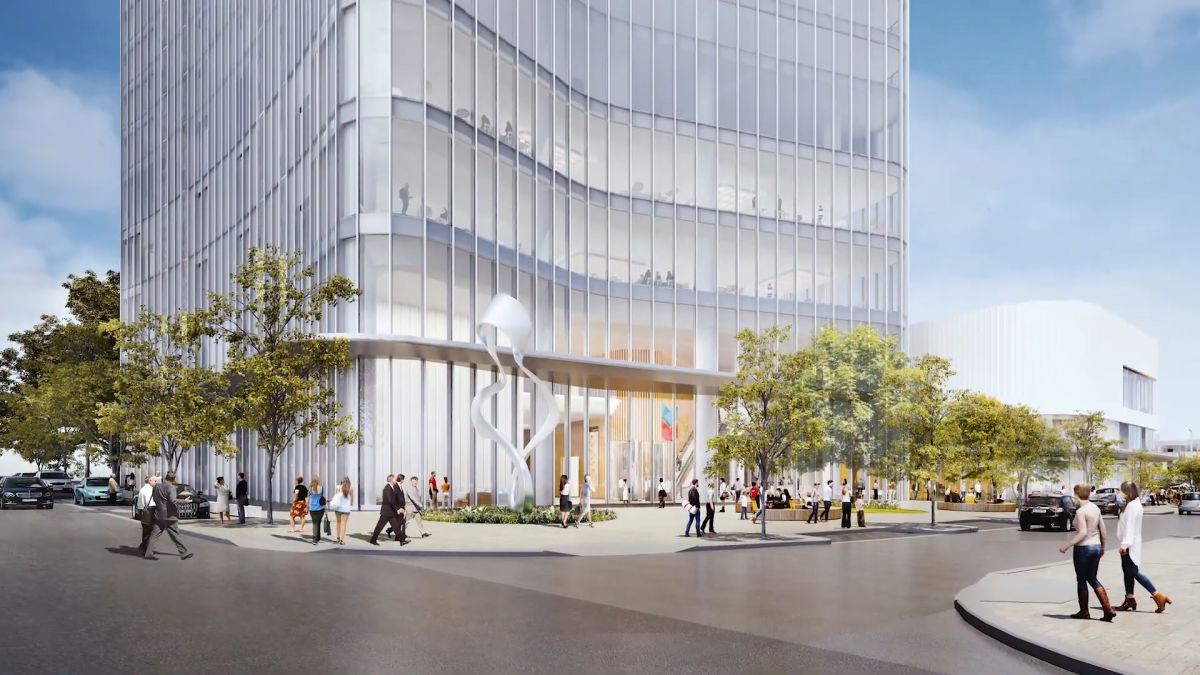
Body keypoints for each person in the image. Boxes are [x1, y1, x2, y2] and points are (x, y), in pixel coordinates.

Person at [1058, 484, 1116, 621]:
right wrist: (1102, 546)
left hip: (1083, 548)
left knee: (1082, 579)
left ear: (1077, 493)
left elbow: (1083, 532)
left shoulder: (1081, 511)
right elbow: (1103, 529)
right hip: (1095, 546)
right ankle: (1108, 610)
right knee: (1092, 577)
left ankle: (1084, 612)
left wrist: (1067, 544)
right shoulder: (1095, 508)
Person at [1116, 481, 1171, 613]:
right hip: (1129, 543)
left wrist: (1125, 545)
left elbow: (1130, 527)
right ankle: (1130, 599)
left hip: (1129, 544)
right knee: (1128, 572)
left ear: (1127, 491)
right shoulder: (1132, 504)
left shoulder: (1133, 506)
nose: (1119, 493)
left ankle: (1158, 595)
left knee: (1133, 572)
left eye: (1121, 491)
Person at [144, 472, 192, 561]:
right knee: (175, 534)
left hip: (158, 515)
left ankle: (149, 553)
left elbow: (154, 498)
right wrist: (184, 501)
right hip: (169, 516)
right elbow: (173, 501)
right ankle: (184, 552)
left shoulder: (157, 486)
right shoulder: (171, 487)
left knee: (154, 535)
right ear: (173, 479)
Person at [369, 474, 408, 546]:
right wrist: (398, 509)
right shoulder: (387, 488)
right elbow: (390, 500)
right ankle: (373, 540)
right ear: (391, 479)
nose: (396, 480)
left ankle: (402, 541)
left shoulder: (391, 487)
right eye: (395, 479)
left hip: (390, 512)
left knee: (396, 527)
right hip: (386, 512)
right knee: (379, 527)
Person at [136, 475, 158, 555]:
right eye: (155, 481)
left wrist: (141, 511)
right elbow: (152, 502)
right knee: (152, 532)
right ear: (150, 481)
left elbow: (140, 503)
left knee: (146, 532)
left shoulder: (142, 489)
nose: (156, 482)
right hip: (151, 511)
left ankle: (143, 547)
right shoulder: (149, 490)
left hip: (145, 512)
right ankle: (147, 550)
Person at [330, 476, 353, 545]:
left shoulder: (338, 487)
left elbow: (336, 497)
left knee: (338, 523)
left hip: (338, 508)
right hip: (346, 509)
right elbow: (351, 501)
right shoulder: (351, 488)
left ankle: (338, 538)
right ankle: (341, 540)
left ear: (342, 481)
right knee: (344, 524)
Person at [306, 477, 326, 545]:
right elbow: (323, 498)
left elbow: (308, 499)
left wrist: (307, 507)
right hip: (321, 508)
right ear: (318, 481)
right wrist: (325, 508)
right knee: (318, 522)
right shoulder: (321, 487)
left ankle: (315, 538)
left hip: (312, 508)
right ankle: (317, 537)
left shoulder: (310, 488)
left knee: (315, 523)